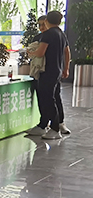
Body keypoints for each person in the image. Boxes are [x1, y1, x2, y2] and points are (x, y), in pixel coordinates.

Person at [27, 10, 70, 139]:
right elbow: (67, 52)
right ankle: (48, 126)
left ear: (46, 21)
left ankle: (55, 129)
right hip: (56, 70)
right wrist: (66, 68)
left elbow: (40, 52)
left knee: (48, 99)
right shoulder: (61, 34)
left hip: (47, 71)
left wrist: (30, 53)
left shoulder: (48, 34)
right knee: (51, 98)